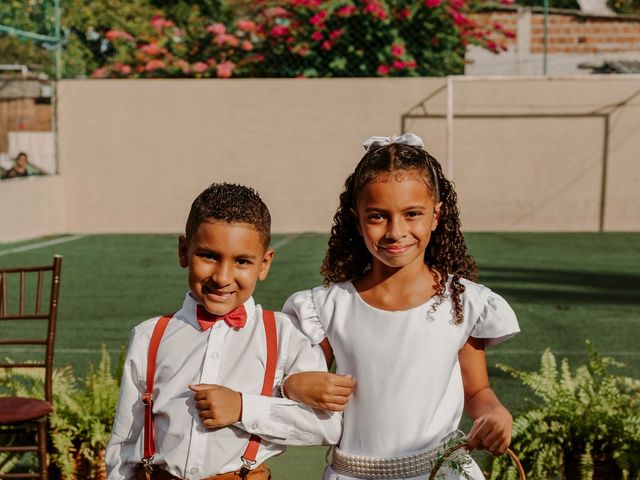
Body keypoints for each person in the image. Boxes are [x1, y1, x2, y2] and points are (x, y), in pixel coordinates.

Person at [281, 134, 520, 480]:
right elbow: (293, 379)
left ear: (436, 215)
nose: (396, 231)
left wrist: (495, 413)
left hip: (442, 473)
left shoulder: (463, 302)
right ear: (356, 218)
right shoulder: (326, 307)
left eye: (412, 214)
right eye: (378, 216)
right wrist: (293, 385)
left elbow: (477, 391)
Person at [106, 183, 342, 480]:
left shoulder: (285, 336)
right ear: (184, 252)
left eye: (242, 261)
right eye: (208, 256)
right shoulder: (149, 336)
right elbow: (124, 445)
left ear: (264, 264)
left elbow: (328, 426)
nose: (222, 277)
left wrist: (244, 408)